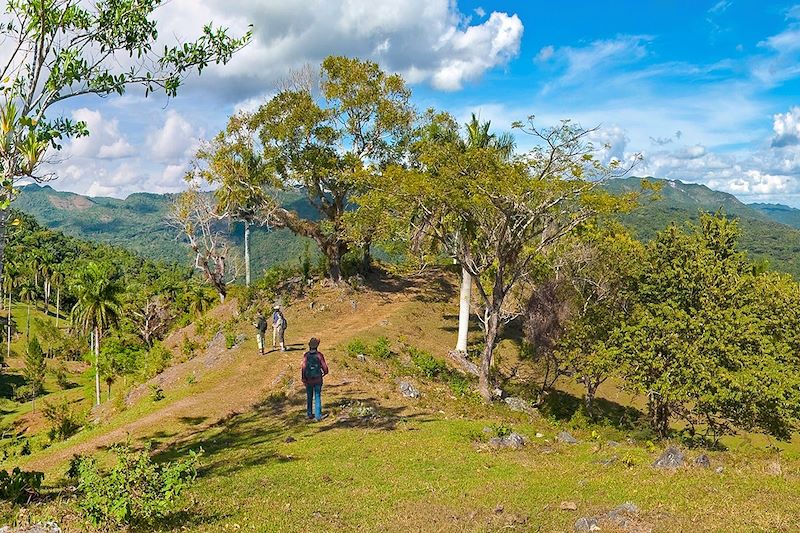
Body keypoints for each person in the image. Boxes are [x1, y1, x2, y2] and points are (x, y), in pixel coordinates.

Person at [301, 337, 329, 421]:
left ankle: (309, 414)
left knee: (309, 397)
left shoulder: (306, 355)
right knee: (317, 397)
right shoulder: (319, 355)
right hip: (317, 379)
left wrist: (303, 378)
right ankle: (318, 416)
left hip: (308, 379)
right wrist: (324, 373)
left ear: (309, 346)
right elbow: (325, 367)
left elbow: (303, 367)